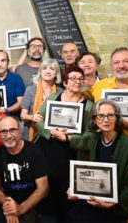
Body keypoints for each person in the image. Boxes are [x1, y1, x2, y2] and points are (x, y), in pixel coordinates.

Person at [61, 99, 128, 222]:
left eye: (110, 115)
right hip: (97, 196)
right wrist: (77, 189)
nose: (106, 119)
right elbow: (88, 173)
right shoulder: (94, 139)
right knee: (71, 216)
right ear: (94, 119)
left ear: (117, 118)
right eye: (101, 116)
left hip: (119, 203)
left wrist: (113, 202)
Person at [35, 66, 93, 221]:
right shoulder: (54, 97)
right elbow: (38, 119)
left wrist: (68, 138)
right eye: (73, 78)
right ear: (65, 82)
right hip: (48, 149)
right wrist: (51, 132)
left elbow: (91, 136)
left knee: (67, 193)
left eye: (80, 79)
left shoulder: (89, 106)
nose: (77, 82)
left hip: (72, 154)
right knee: (48, 188)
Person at [0, 116, 49, 223]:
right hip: (9, 200)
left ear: (19, 131)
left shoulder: (34, 150)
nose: (9, 135)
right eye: (4, 132)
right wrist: (9, 206)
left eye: (12, 130)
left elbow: (43, 188)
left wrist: (20, 209)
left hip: (31, 204)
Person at [20, 59, 62, 141]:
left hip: (53, 135)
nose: (48, 71)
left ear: (56, 73)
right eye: (45, 68)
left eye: (52, 69)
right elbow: (23, 115)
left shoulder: (60, 91)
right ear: (40, 72)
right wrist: (32, 117)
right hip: (31, 133)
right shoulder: (30, 90)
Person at [0, 50, 25, 119]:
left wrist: (5, 111)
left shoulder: (17, 79)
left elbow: (20, 103)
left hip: (13, 117)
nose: (0, 64)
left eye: (3, 60)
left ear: (8, 62)